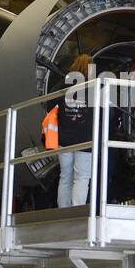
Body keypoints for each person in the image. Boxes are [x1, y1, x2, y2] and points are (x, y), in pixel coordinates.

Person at [52, 54, 96, 208]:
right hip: (85, 140)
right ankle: (77, 209)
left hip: (64, 139)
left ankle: (63, 210)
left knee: (65, 176)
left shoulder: (63, 87)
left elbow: (50, 107)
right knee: (82, 177)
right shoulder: (94, 87)